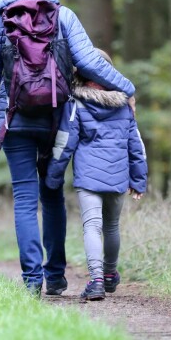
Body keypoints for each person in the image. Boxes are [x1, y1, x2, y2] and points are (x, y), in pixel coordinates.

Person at [0, 0, 136, 296]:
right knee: (52, 194)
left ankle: (32, 281)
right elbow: (91, 62)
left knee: (23, 197)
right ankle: (56, 276)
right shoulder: (64, 16)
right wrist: (127, 88)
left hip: (15, 120)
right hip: (57, 120)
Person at [46, 49, 147, 301]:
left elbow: (64, 142)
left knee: (92, 226)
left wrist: (53, 176)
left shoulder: (76, 103)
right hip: (118, 175)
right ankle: (111, 274)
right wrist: (138, 179)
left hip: (89, 178)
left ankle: (97, 280)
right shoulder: (124, 105)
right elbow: (136, 145)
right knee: (112, 226)